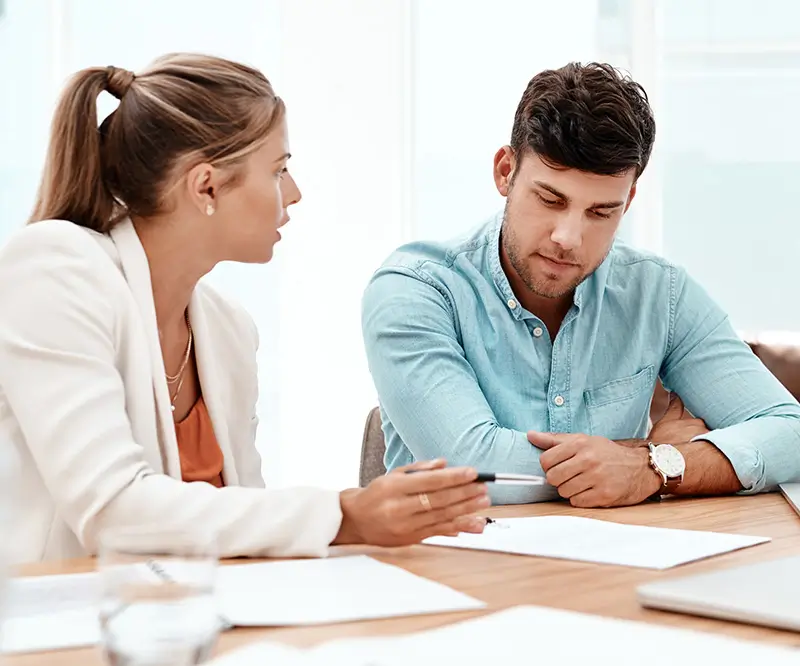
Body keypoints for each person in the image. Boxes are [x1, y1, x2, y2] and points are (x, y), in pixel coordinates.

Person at [0, 53, 488, 564]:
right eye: (279, 170)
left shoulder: (228, 329)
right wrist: (346, 515)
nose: (294, 194)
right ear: (205, 185)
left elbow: (244, 525)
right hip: (55, 631)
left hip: (191, 622)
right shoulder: (54, 271)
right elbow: (114, 512)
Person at [362, 62, 800, 508]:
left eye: (600, 212)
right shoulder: (415, 289)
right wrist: (648, 457)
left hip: (617, 566)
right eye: (550, 200)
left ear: (628, 202)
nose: (567, 238)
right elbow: (472, 469)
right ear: (505, 171)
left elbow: (790, 431)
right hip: (450, 569)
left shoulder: (658, 292)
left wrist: (657, 466)